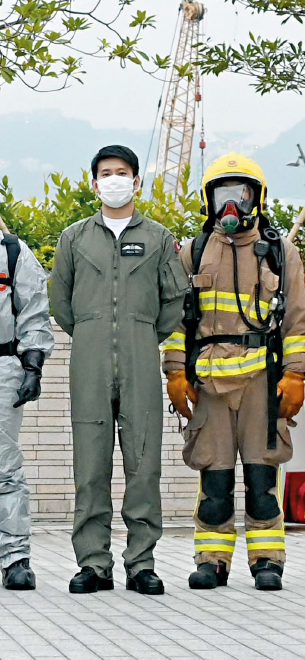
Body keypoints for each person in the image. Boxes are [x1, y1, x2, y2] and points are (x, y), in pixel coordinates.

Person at [162, 154, 305, 591]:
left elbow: (297, 322)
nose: (231, 207)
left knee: (263, 477)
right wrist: (175, 371)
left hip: (262, 384)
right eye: (222, 196)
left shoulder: (282, 254)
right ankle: (212, 560)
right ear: (209, 200)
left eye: (240, 195)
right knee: (215, 476)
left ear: (257, 198)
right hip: (209, 383)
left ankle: (267, 560)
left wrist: (296, 375)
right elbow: (177, 321)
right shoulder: (192, 252)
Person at [49, 145, 187, 595]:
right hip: (88, 362)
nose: (114, 179)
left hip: (140, 358)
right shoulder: (74, 239)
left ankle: (141, 563)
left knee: (143, 465)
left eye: (122, 172)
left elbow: (174, 300)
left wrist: (143, 332)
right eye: (106, 173)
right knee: (89, 467)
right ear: (94, 183)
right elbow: (61, 303)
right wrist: (90, 330)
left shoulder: (159, 239)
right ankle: (93, 563)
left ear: (136, 181)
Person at [0, 227, 55, 590]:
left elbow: (34, 310)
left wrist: (32, 367)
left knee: (4, 468)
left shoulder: (12, 252)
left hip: (2, 365)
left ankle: (15, 557)